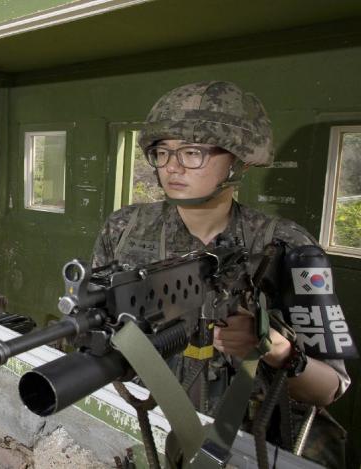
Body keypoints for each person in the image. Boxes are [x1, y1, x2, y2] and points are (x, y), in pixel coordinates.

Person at [92, 81, 350, 466]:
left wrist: (276, 350)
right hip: (145, 426)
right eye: (162, 152)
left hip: (254, 443)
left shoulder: (287, 244)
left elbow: (331, 387)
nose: (172, 166)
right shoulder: (124, 229)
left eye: (192, 152)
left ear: (237, 160)